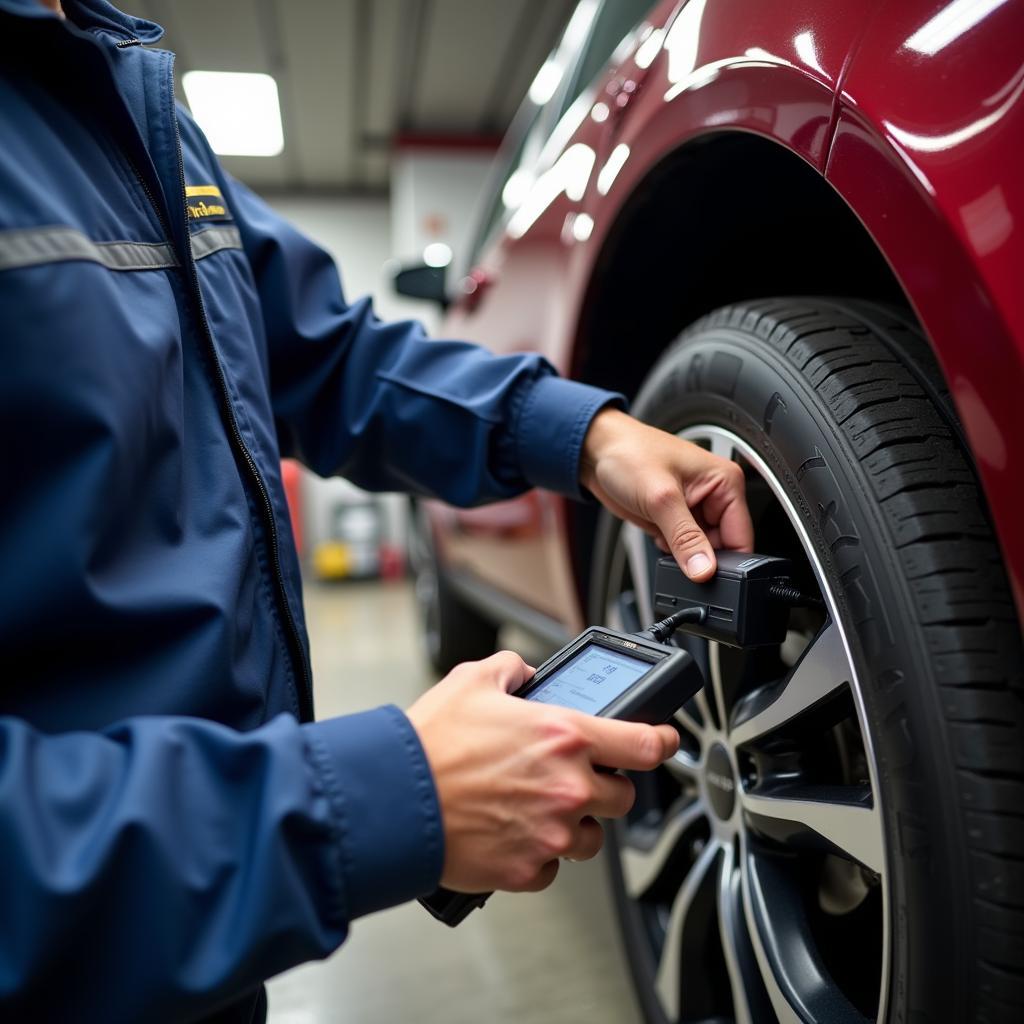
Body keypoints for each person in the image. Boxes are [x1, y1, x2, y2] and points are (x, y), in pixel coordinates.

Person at [0, 1, 753, 1020]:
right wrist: (373, 800)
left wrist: (579, 433)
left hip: (195, 947)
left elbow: (325, 355)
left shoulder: (130, 101)